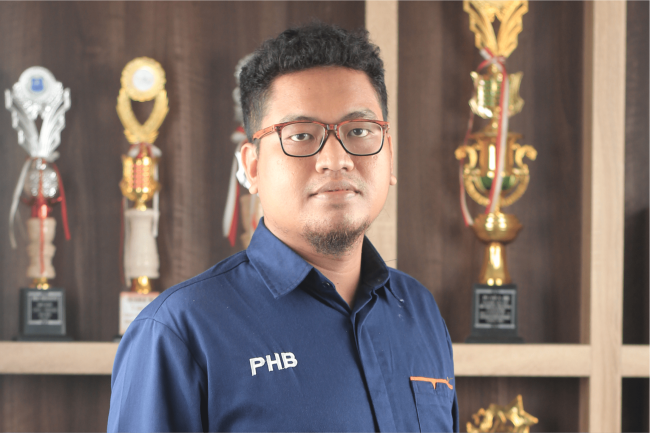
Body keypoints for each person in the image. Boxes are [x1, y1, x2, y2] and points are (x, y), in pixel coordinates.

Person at [107, 22, 458, 433]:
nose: (336, 159)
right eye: (301, 135)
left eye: (360, 131)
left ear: (389, 156)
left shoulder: (418, 310)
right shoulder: (178, 332)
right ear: (252, 167)